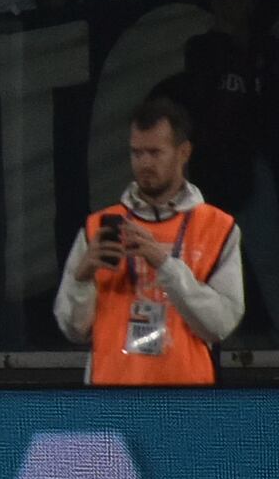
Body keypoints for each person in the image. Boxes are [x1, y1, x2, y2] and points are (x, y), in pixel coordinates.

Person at [50, 92, 241, 386]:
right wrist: (82, 277)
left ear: (183, 152)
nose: (144, 163)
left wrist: (164, 264)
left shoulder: (218, 227)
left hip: (188, 399)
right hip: (110, 397)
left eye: (155, 152)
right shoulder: (98, 228)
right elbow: (74, 330)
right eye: (136, 153)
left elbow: (220, 325)